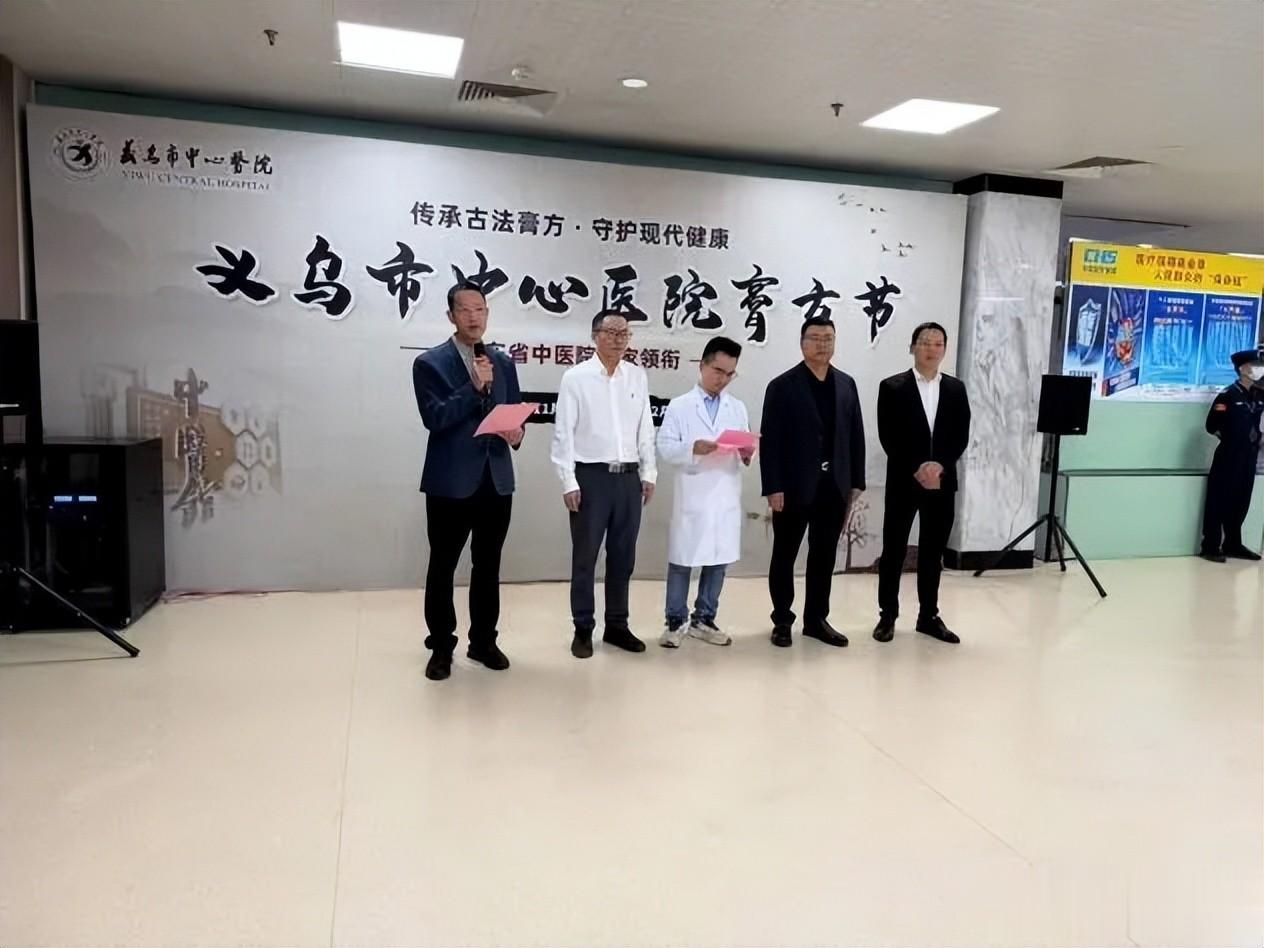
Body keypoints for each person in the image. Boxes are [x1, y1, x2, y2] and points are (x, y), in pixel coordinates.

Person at [412, 281, 524, 682]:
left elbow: (513, 412)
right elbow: (434, 418)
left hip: (496, 479)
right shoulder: (430, 363)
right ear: (451, 316)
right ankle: (442, 646)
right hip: (451, 483)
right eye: (465, 310)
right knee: (442, 566)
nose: (474, 317)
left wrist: (516, 433)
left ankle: (483, 641)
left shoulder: (503, 362)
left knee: (488, 565)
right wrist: (472, 387)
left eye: (481, 309)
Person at [551, 311, 657, 658]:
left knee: (623, 556)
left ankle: (617, 625)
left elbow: (645, 428)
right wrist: (568, 480)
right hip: (591, 477)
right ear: (595, 335)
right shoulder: (576, 378)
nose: (618, 339)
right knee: (585, 557)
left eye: (624, 333)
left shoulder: (636, 376)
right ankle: (583, 627)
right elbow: (564, 433)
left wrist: (649, 473)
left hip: (628, 478)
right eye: (610, 332)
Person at [759, 316, 866, 649]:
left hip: (834, 486)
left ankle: (816, 619)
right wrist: (773, 486)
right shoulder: (782, 386)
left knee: (824, 555)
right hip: (793, 487)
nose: (823, 344)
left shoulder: (846, 384)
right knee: (785, 554)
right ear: (802, 343)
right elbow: (770, 441)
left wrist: (856, 481)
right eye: (816, 338)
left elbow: (855, 435)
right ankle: (782, 620)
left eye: (828, 338)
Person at [873, 321, 971, 644]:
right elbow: (888, 436)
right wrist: (917, 467)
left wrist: (940, 466)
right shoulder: (892, 387)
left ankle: (928, 615)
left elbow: (960, 435)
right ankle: (888, 615)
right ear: (912, 346)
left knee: (932, 552)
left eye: (938, 343)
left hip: (942, 482)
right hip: (904, 480)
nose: (931, 349)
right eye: (925, 342)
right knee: (894, 550)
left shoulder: (956, 389)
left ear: (945, 350)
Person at [656, 336, 753, 648]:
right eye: (718, 371)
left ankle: (704, 618)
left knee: (718, 560)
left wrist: (747, 452)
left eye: (729, 374)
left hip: (724, 493)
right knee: (682, 560)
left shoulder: (737, 407)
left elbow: (743, 445)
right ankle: (675, 620)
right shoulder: (680, 406)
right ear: (703, 366)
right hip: (693, 494)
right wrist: (692, 448)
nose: (722, 379)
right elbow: (665, 447)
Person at [1200, 346, 1264, 563]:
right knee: (1219, 500)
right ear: (1243, 369)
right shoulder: (1227, 395)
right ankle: (1210, 546)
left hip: (1249, 456)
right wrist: (1231, 438)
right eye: (1255, 365)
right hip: (1229, 455)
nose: (1259, 368)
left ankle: (1233, 544)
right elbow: (1211, 426)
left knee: (1241, 500)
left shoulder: (1258, 394)